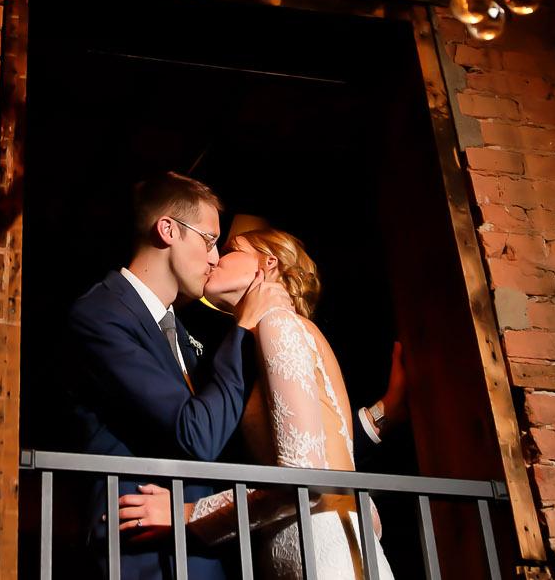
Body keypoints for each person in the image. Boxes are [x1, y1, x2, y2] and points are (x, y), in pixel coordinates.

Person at [116, 229, 395, 580]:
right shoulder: (282, 333)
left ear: (268, 262)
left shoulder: (278, 324)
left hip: (322, 557)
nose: (215, 258)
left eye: (231, 249)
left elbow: (304, 480)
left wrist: (185, 513)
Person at [62, 172, 292, 580]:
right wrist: (243, 332)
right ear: (167, 230)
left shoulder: (186, 332)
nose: (213, 256)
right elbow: (196, 433)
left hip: (201, 555)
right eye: (208, 239)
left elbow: (250, 436)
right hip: (139, 556)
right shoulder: (101, 316)